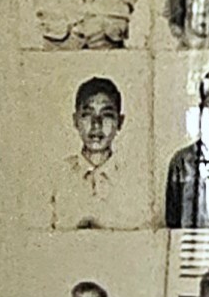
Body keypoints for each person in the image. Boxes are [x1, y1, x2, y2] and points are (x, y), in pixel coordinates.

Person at [45, 74, 145, 230]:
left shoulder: (133, 180)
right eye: (87, 115)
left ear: (120, 122)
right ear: (75, 120)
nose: (96, 125)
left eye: (106, 115)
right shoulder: (56, 176)